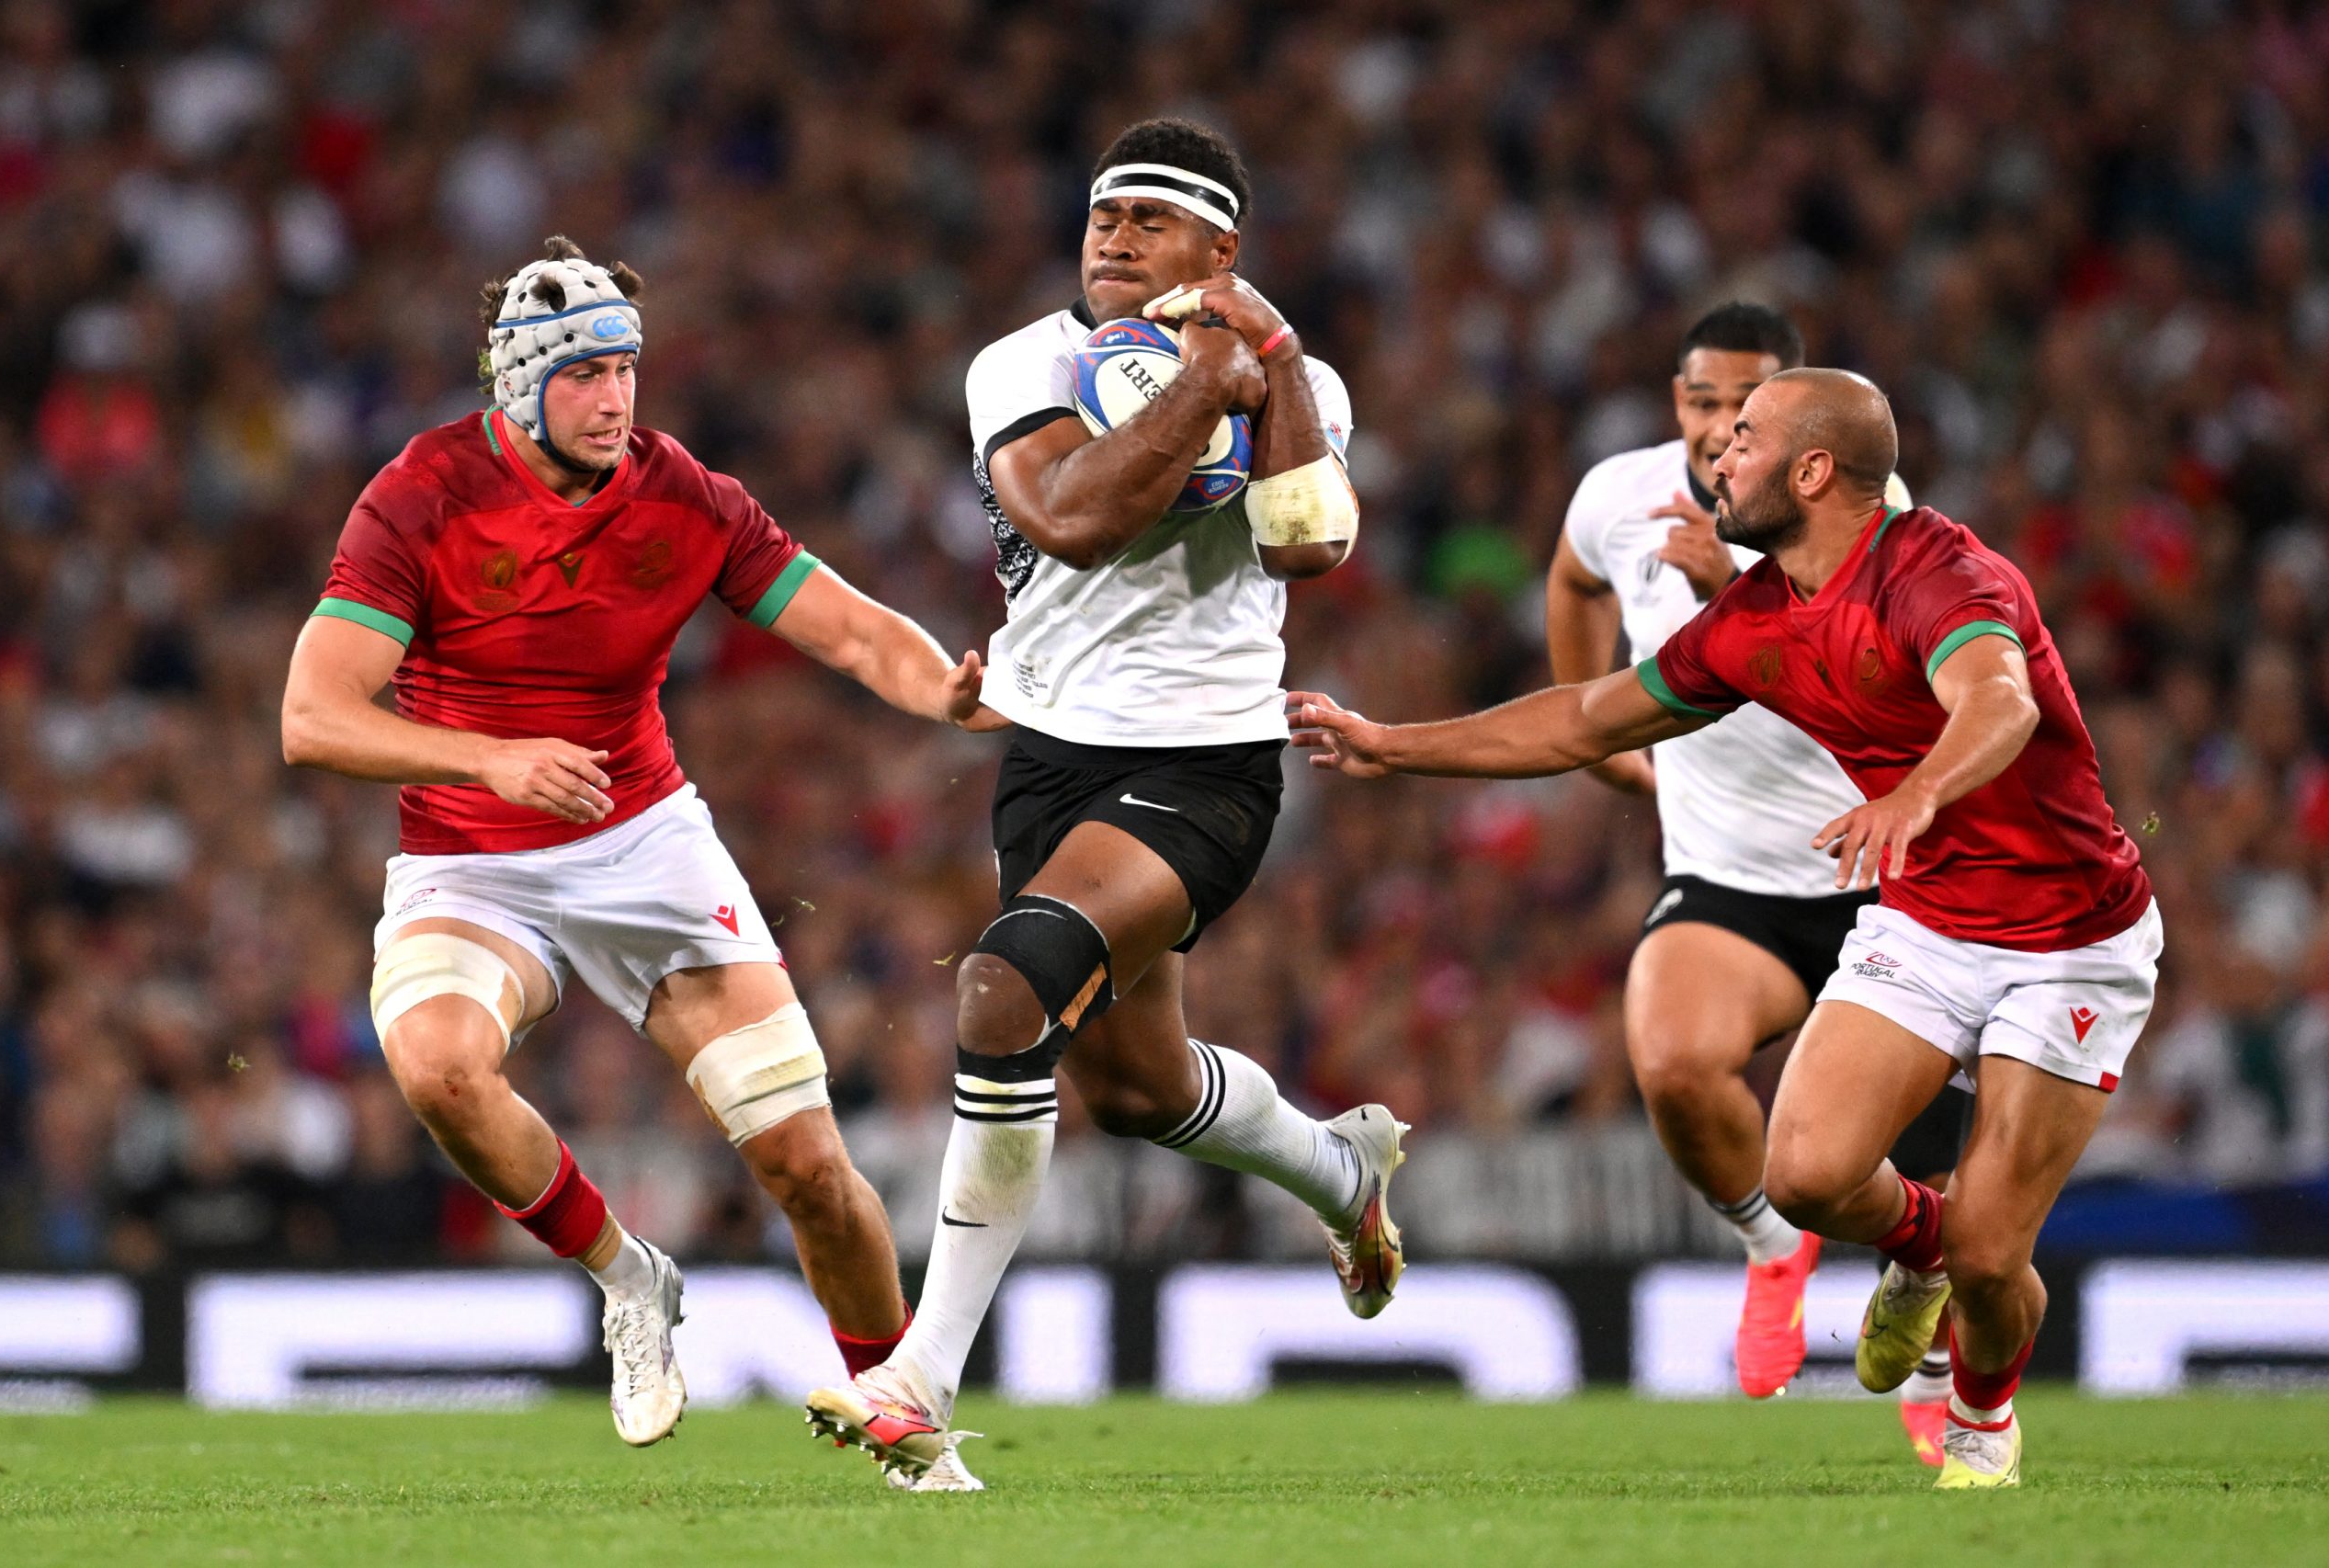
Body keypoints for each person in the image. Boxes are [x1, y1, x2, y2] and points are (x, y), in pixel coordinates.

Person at [1289, 368, 2159, 1491]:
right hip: (1930, 918)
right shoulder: (1760, 617)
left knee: (1998, 1253)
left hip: (2067, 936)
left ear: (1812, 471)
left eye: (1742, 438)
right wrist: (1389, 743)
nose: (1715, 457)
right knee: (1801, 1175)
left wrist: (1917, 793)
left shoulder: (1938, 572)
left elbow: (2001, 698)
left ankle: (1981, 1427)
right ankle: (1917, 1241)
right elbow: (1588, 717)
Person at [281, 236, 1005, 1461]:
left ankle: (910, 1430)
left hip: (645, 844)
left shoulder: (686, 496)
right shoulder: (421, 494)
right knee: (438, 1067)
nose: (615, 397)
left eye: (626, 369)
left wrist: (945, 689)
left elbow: (846, 629)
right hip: (475, 857)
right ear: (517, 382)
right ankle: (629, 1279)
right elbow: (314, 716)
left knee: (809, 1168)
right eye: (583, 375)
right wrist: (492, 758)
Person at [802, 118, 1404, 1490]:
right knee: (1134, 1089)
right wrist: (1208, 380)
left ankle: (919, 1379)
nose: (1114, 237)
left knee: (1005, 993)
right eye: (1101, 216)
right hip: (1049, 756)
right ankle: (1342, 1174)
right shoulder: (1020, 364)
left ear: (1220, 250)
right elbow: (1074, 514)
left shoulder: (1299, 375)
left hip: (1207, 764)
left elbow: (1309, 540)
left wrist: (1281, 369)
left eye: (1148, 217)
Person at [1548, 302, 1968, 1449]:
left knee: (1921, 1160)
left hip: (1878, 873)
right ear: (1673, 399)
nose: (1720, 424)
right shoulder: (1618, 493)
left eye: (1747, 405)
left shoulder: (1855, 517)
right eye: (1700, 400)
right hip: (1728, 873)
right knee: (1675, 1061)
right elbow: (1577, 581)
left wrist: (1721, 584)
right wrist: (1607, 749)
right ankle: (1772, 1245)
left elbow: (1843, 665)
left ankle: (1945, 1378)